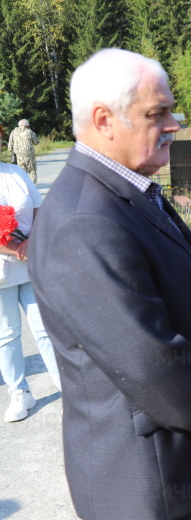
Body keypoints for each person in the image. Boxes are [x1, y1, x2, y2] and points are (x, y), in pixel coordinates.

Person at [27, 48, 191, 520]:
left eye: (171, 110)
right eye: (158, 113)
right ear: (105, 120)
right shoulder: (84, 220)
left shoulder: (126, 189)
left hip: (169, 462)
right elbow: (151, 360)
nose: (174, 124)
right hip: (141, 481)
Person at [0, 160, 61, 423]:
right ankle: (20, 392)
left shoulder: (15, 172)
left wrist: (32, 240)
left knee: (46, 329)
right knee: (7, 334)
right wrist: (15, 248)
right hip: (2, 269)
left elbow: (38, 208)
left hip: (30, 262)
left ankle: (69, 390)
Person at [8, 120, 39, 184]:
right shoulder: (30, 132)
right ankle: (32, 186)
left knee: (22, 171)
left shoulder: (13, 132)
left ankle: (23, 186)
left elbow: (10, 145)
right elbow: (36, 142)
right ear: (27, 126)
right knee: (32, 171)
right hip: (29, 155)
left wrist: (13, 152)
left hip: (18, 155)